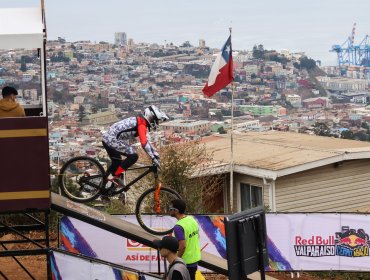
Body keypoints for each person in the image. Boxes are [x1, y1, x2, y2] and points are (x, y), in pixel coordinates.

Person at [102, 105, 169, 188]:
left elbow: (147, 142)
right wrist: (153, 157)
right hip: (111, 139)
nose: (157, 123)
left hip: (108, 138)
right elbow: (144, 143)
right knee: (133, 156)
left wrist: (155, 155)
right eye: (156, 121)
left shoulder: (140, 121)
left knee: (117, 162)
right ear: (151, 118)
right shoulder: (141, 125)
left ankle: (103, 190)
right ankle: (115, 177)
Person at [169, 199, 201, 280]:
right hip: (194, 259)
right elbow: (197, 236)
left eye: (170, 208)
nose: (168, 210)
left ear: (176, 211)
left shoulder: (178, 227)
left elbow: (182, 246)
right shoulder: (191, 219)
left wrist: (176, 260)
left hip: (185, 262)